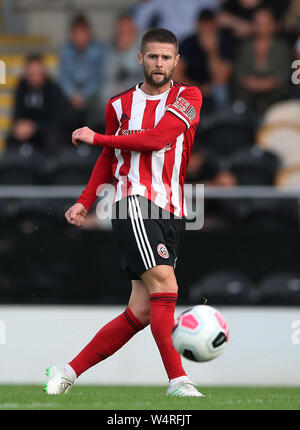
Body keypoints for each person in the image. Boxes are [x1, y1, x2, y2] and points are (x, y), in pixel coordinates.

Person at [44, 28, 204, 397]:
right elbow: (108, 158)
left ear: (176, 61)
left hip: (172, 209)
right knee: (166, 285)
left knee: (142, 310)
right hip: (133, 203)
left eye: (166, 57)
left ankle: (66, 372)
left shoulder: (189, 96)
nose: (160, 63)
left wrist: (97, 136)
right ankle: (179, 380)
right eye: (153, 56)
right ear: (140, 59)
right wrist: (85, 200)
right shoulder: (118, 105)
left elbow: (155, 139)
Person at [173, 9, 233, 110]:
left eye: (210, 27)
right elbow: (176, 76)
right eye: (203, 27)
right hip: (191, 87)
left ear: (216, 26)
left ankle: (222, 120)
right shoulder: (188, 43)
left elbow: (222, 78)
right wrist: (198, 89)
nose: (207, 31)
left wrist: (211, 51)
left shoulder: (225, 43)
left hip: (214, 89)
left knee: (221, 91)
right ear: (197, 26)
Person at [234, 7, 291, 113]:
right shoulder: (245, 46)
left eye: (266, 24)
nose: (261, 27)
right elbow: (239, 72)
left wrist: (268, 83)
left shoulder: (282, 47)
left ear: (274, 25)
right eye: (258, 23)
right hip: (247, 98)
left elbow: (284, 73)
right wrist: (250, 83)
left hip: (276, 98)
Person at [7, 53, 67, 154]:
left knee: (52, 138)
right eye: (31, 74)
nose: (35, 77)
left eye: (38, 73)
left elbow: (57, 121)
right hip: (27, 130)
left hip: (46, 130)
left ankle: (51, 167)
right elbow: (17, 113)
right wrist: (19, 126)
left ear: (43, 72)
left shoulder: (53, 89)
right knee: (12, 137)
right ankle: (13, 166)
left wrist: (35, 127)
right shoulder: (21, 87)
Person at [59, 14, 105, 131]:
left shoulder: (97, 50)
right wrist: (72, 94)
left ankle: (94, 142)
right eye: (76, 34)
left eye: (82, 34)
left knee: (100, 103)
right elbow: (63, 77)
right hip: (71, 95)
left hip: (91, 94)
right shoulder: (65, 50)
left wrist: (83, 96)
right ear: (71, 35)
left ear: (89, 33)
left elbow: (97, 77)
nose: (80, 38)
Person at [100, 14, 144, 116]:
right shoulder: (109, 50)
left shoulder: (145, 50)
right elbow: (107, 77)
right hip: (117, 92)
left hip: (138, 92)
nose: (123, 35)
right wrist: (120, 52)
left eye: (127, 32)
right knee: (106, 92)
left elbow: (147, 79)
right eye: (120, 32)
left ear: (134, 32)